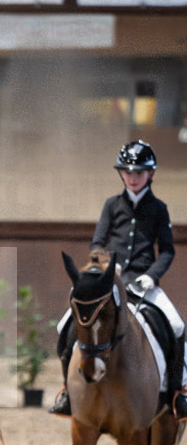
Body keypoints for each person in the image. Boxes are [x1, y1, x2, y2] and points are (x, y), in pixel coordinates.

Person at [50, 140, 187, 421]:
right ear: (121, 174)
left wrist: (151, 276)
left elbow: (168, 250)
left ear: (150, 174)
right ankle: (67, 391)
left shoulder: (158, 208)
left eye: (139, 172)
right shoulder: (112, 205)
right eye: (127, 171)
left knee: (177, 326)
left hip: (145, 284)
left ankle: (176, 393)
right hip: (110, 285)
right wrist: (104, 273)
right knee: (66, 324)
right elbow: (98, 242)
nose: (133, 177)